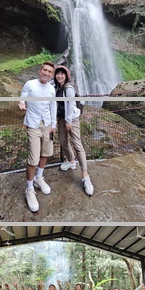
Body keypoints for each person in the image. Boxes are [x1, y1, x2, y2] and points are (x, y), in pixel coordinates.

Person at [19, 61, 57, 213]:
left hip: (47, 125)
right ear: (40, 70)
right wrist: (21, 103)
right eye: (45, 70)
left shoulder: (51, 89)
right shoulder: (30, 84)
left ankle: (38, 178)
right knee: (33, 159)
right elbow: (22, 97)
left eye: (49, 72)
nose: (46, 73)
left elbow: (53, 106)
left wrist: (53, 124)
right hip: (33, 125)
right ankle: (29, 189)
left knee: (45, 153)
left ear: (51, 75)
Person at [54, 66, 94, 196]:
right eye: (57, 74)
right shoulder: (56, 88)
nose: (59, 76)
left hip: (72, 119)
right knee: (63, 141)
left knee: (77, 144)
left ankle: (85, 175)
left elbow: (70, 104)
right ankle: (71, 161)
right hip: (60, 118)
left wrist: (69, 122)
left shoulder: (68, 88)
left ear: (66, 75)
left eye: (62, 74)